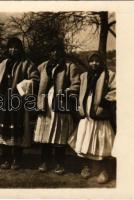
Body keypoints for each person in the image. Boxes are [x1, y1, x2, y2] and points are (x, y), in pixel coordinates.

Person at [68, 52, 116, 184]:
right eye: (91, 61)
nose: (94, 64)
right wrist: (77, 104)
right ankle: (87, 167)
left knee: (101, 142)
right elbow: (78, 90)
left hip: (100, 112)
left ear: (102, 62)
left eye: (97, 61)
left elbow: (115, 90)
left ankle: (103, 170)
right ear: (88, 63)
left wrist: (104, 103)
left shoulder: (108, 75)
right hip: (86, 113)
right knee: (85, 140)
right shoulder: (84, 76)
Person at [34, 41, 80, 175]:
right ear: (49, 53)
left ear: (62, 52)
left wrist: (68, 91)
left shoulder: (69, 66)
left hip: (60, 103)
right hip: (45, 103)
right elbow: (35, 82)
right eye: (52, 51)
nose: (55, 53)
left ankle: (60, 163)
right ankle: (44, 162)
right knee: (45, 133)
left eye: (58, 50)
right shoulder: (43, 66)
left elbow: (76, 84)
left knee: (59, 133)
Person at [0, 37, 39, 170]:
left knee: (17, 131)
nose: (13, 50)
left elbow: (35, 78)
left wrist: (24, 85)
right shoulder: (3, 64)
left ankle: (16, 159)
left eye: (16, 47)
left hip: (18, 100)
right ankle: (6, 159)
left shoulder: (27, 63)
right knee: (3, 130)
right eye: (11, 47)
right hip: (4, 100)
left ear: (20, 49)